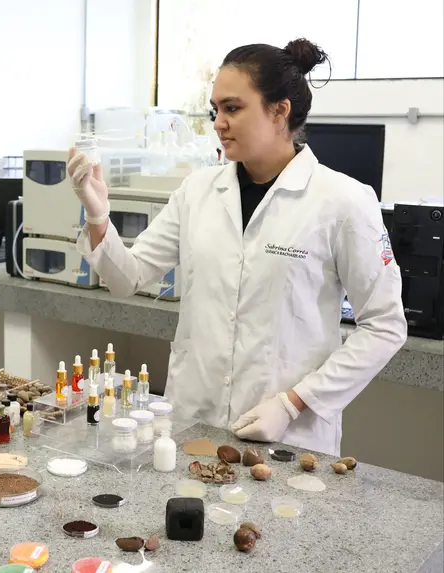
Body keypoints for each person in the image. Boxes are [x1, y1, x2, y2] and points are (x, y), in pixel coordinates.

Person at [67, 39, 407, 456]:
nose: (218, 122)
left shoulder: (344, 202)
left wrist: (292, 403)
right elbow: (128, 278)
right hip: (194, 423)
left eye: (232, 108)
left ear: (279, 110)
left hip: (287, 435)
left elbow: (385, 325)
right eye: (216, 110)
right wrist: (99, 216)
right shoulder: (198, 191)